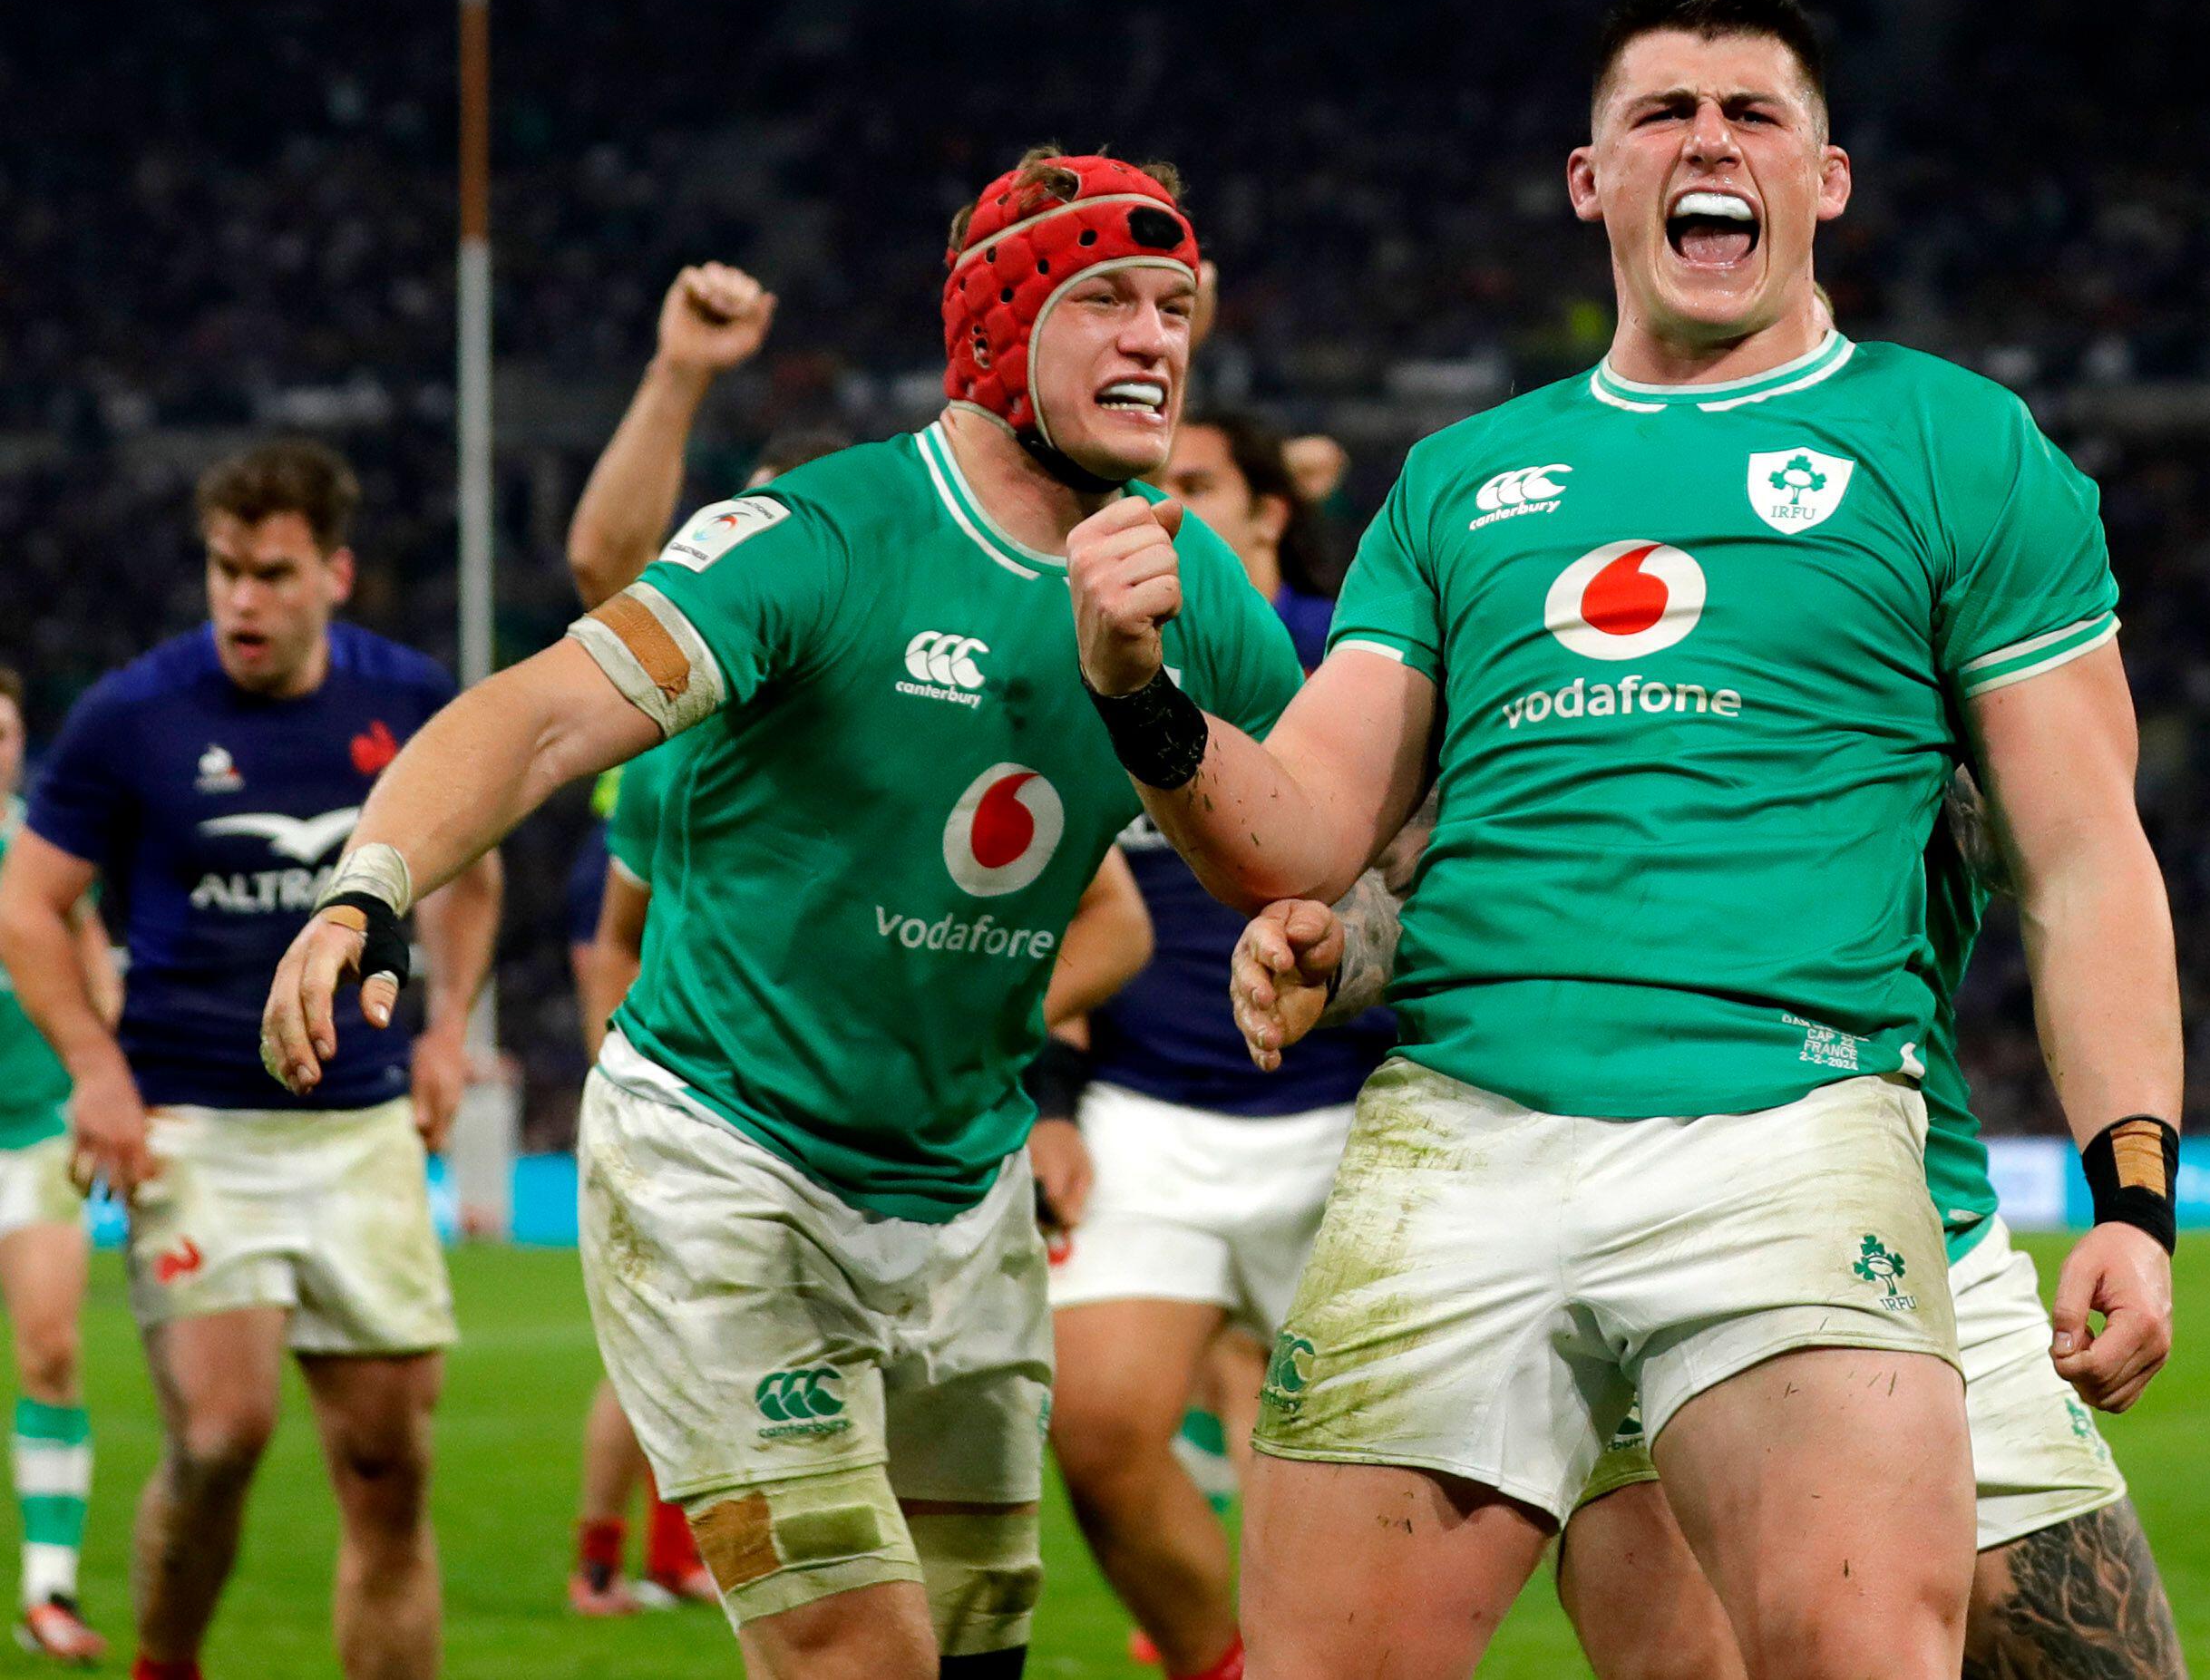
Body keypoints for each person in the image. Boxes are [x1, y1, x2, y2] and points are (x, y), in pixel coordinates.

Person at [1064, 0, 2183, 1678]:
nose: (1707, 141)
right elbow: (1302, 835)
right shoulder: (1459, 481)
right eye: (1662, 111)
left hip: (1805, 1129)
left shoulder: (1955, 446)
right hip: (1468, 1137)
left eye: (1755, 114)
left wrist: (2133, 1186)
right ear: (1590, 178)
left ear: (1826, 180)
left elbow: (2080, 848)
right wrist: (1139, 687)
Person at [258, 150, 1304, 1679]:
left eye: (1177, 305)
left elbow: (1326, 824)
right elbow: (544, 713)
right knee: (852, 1652)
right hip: (729, 1165)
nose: (1158, 339)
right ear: (1001, 328)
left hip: (960, 1191)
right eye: (1109, 302)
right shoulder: (826, 536)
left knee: (963, 1654)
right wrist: (367, 886)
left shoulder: (1181, 581)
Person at [1234, 770, 2190, 1677]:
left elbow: (2063, 841)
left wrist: (2134, 1200)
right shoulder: (1540, 614)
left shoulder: (1918, 607)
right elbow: (1423, 886)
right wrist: (1339, 949)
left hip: (1915, 1222)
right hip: (1634, 1216)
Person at [0, 441, 501, 1680]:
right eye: (225, 569)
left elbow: (472, 873)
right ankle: (166, 1658)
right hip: (197, 1123)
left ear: (333, 572)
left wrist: (448, 1025)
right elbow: (25, 905)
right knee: (221, 1434)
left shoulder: (409, 697)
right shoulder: (135, 712)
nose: (242, 598)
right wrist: (97, 1072)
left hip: (363, 1124)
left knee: (390, 1466)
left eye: (271, 573)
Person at [1043, 413, 1401, 1680]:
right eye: (1142, 491)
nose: (1162, 512)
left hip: (1346, 1116)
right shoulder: (1086, 663)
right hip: (1144, 1114)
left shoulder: (1352, 659)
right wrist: (1049, 1098)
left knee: (1371, 1481)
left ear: (1264, 516)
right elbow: (1048, 892)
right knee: (1096, 1435)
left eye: (1195, 489)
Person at [554, 259, 775, 1617]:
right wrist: (610, 1068)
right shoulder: (684, 747)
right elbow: (604, 571)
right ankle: (605, 1560)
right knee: (654, 1358)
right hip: (710, 1087)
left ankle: (684, 1557)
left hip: (874, 1109)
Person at [0, 669, 119, 1665]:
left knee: (49, 1349)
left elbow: (97, 962)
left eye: (3, 732)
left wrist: (110, 1074)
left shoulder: (41, 851)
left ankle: (49, 1588)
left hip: (38, 1132)